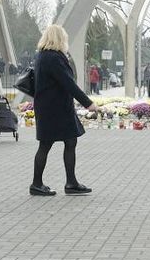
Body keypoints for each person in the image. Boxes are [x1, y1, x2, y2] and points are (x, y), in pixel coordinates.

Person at [30, 25, 100, 196]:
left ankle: (69, 182)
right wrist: (88, 103)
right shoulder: (54, 58)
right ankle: (40, 184)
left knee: (66, 142)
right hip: (56, 109)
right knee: (49, 145)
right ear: (59, 39)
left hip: (48, 107)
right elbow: (68, 83)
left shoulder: (42, 56)